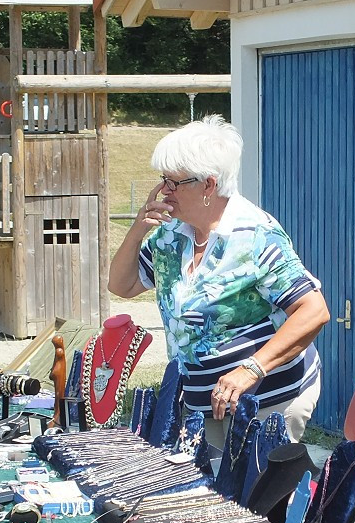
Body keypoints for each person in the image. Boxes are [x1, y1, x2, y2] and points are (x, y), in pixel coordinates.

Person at [108, 115, 330, 448]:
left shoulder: (255, 237)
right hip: (203, 401)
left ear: (209, 185)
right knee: (209, 491)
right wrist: (140, 226)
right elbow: (121, 286)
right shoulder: (172, 235)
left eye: (174, 182)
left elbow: (313, 311)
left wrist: (252, 368)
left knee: (254, 495)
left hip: (266, 398)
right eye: (163, 179)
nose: (164, 190)